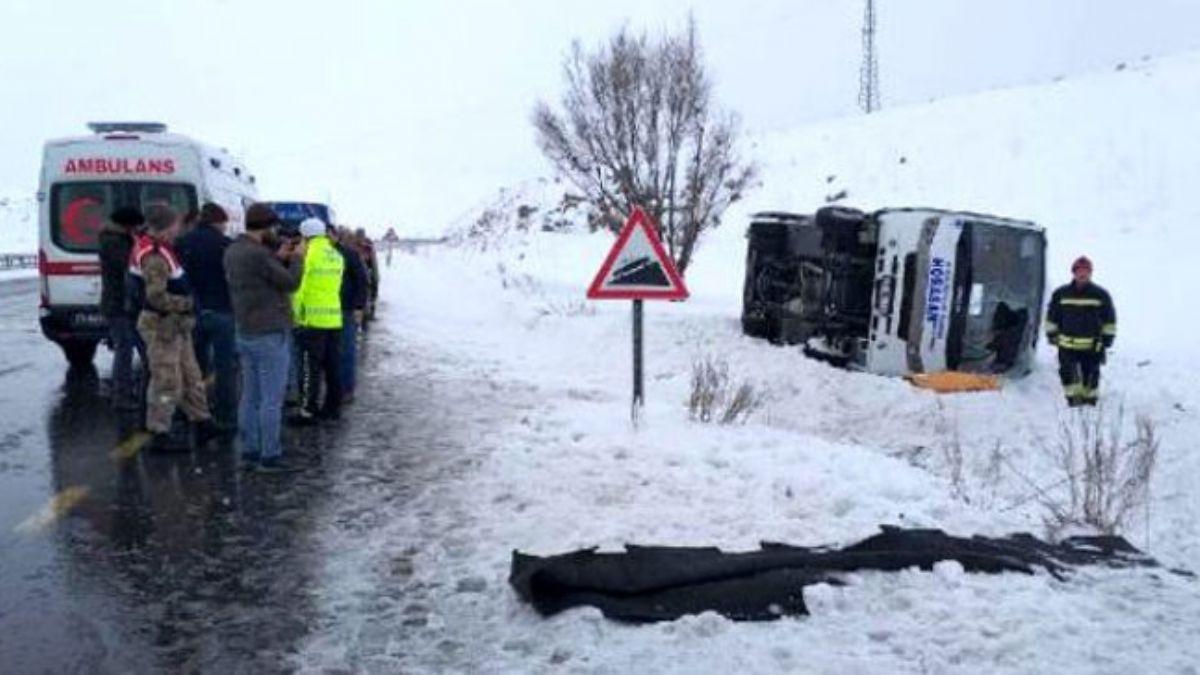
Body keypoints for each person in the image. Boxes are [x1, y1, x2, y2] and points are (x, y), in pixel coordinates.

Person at [129, 204, 218, 450]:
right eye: (175, 223)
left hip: (175, 324)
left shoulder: (163, 249)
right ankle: (159, 431)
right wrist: (187, 303)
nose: (179, 227)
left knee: (191, 375)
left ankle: (202, 421)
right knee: (166, 379)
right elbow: (155, 297)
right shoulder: (155, 256)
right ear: (166, 226)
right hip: (161, 325)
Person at [224, 204, 306, 472]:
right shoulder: (259, 255)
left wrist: (276, 257)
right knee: (272, 398)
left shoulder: (234, 251)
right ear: (267, 227)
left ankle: (250, 451)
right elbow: (290, 283)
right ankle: (270, 455)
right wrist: (297, 259)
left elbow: (261, 277)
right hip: (270, 332)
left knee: (250, 395)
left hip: (245, 328)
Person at [176, 202, 237, 435]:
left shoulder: (182, 243)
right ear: (219, 222)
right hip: (222, 311)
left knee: (193, 368)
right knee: (225, 368)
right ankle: (226, 417)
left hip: (192, 311)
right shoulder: (226, 245)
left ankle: (194, 414)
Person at [290, 217, 345, 425]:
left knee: (308, 368)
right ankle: (333, 408)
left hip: (311, 320)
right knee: (332, 367)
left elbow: (299, 289)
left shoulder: (307, 254)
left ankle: (307, 411)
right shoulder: (336, 255)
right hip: (333, 318)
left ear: (305, 235)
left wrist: (296, 316)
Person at [1045, 256, 1117, 407]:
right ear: (1074, 273)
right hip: (1066, 346)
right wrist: (1051, 335)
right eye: (1079, 271)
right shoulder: (1061, 294)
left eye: (1086, 271)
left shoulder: (1100, 295)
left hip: (1092, 346)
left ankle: (1090, 401)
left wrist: (1107, 340)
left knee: (1090, 375)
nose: (1082, 274)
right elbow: (1052, 316)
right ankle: (1072, 400)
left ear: (1090, 273)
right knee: (1067, 374)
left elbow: (1109, 319)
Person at [98, 207, 147, 411]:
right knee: (124, 350)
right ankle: (122, 396)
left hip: (121, 303)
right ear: (127, 226)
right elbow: (128, 266)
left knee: (130, 349)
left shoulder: (116, 240)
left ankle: (130, 392)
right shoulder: (114, 243)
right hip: (119, 305)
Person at [331, 226, 368, 403]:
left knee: (346, 351)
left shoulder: (349, 254)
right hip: (324, 311)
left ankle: (347, 389)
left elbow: (362, 281)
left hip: (346, 310)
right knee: (331, 354)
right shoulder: (315, 254)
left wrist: (359, 308)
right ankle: (335, 389)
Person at [355, 228, 380, 324]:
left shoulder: (368, 248)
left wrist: (375, 278)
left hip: (367, 279)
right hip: (358, 279)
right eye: (358, 236)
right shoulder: (352, 247)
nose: (360, 239)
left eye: (361, 236)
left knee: (368, 300)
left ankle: (368, 316)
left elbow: (374, 265)